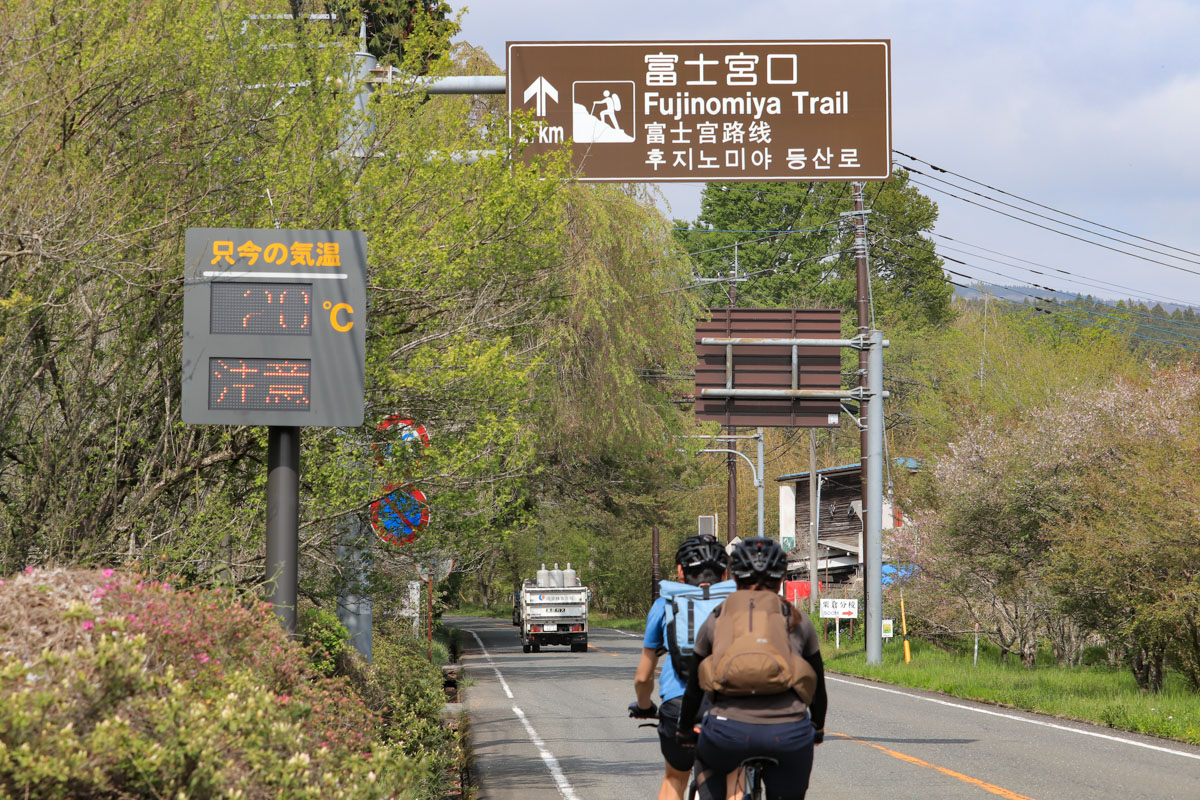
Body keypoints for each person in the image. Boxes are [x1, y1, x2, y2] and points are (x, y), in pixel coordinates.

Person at [676, 537, 827, 800]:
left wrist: (686, 730)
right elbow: (818, 686)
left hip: (726, 733)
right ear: (780, 579)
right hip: (789, 734)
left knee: (703, 757)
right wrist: (817, 726)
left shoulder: (717, 617)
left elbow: (693, 688)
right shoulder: (798, 620)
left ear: (734, 577)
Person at [631, 534, 735, 800]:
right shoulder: (740, 604)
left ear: (679, 571)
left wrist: (644, 707)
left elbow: (643, 677)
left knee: (674, 777)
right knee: (736, 775)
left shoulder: (664, 605)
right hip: (731, 706)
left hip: (678, 706)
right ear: (725, 573)